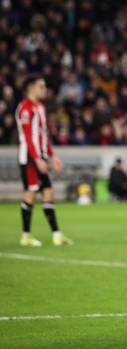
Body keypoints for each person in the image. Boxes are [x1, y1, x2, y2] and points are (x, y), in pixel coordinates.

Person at [16, 74, 73, 247]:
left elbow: (43, 135)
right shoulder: (25, 108)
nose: (44, 89)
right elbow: (27, 137)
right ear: (31, 88)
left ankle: (57, 235)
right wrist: (37, 159)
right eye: (41, 86)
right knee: (30, 194)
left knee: (49, 194)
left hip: (41, 157)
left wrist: (52, 156)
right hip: (29, 158)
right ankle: (26, 235)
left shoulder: (40, 107)